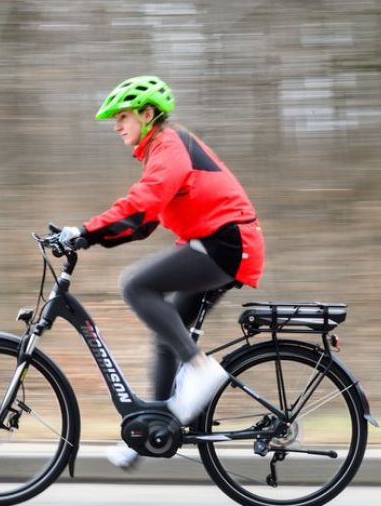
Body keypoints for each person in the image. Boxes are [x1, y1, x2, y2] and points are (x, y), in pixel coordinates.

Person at [57, 75, 265, 469]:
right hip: (221, 244)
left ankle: (201, 369)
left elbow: (143, 202)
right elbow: (142, 222)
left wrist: (85, 232)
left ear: (148, 114)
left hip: (226, 245)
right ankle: (151, 430)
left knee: (135, 285)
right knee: (166, 332)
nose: (117, 126)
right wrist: (91, 235)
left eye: (123, 117)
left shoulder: (168, 145)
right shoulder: (162, 148)